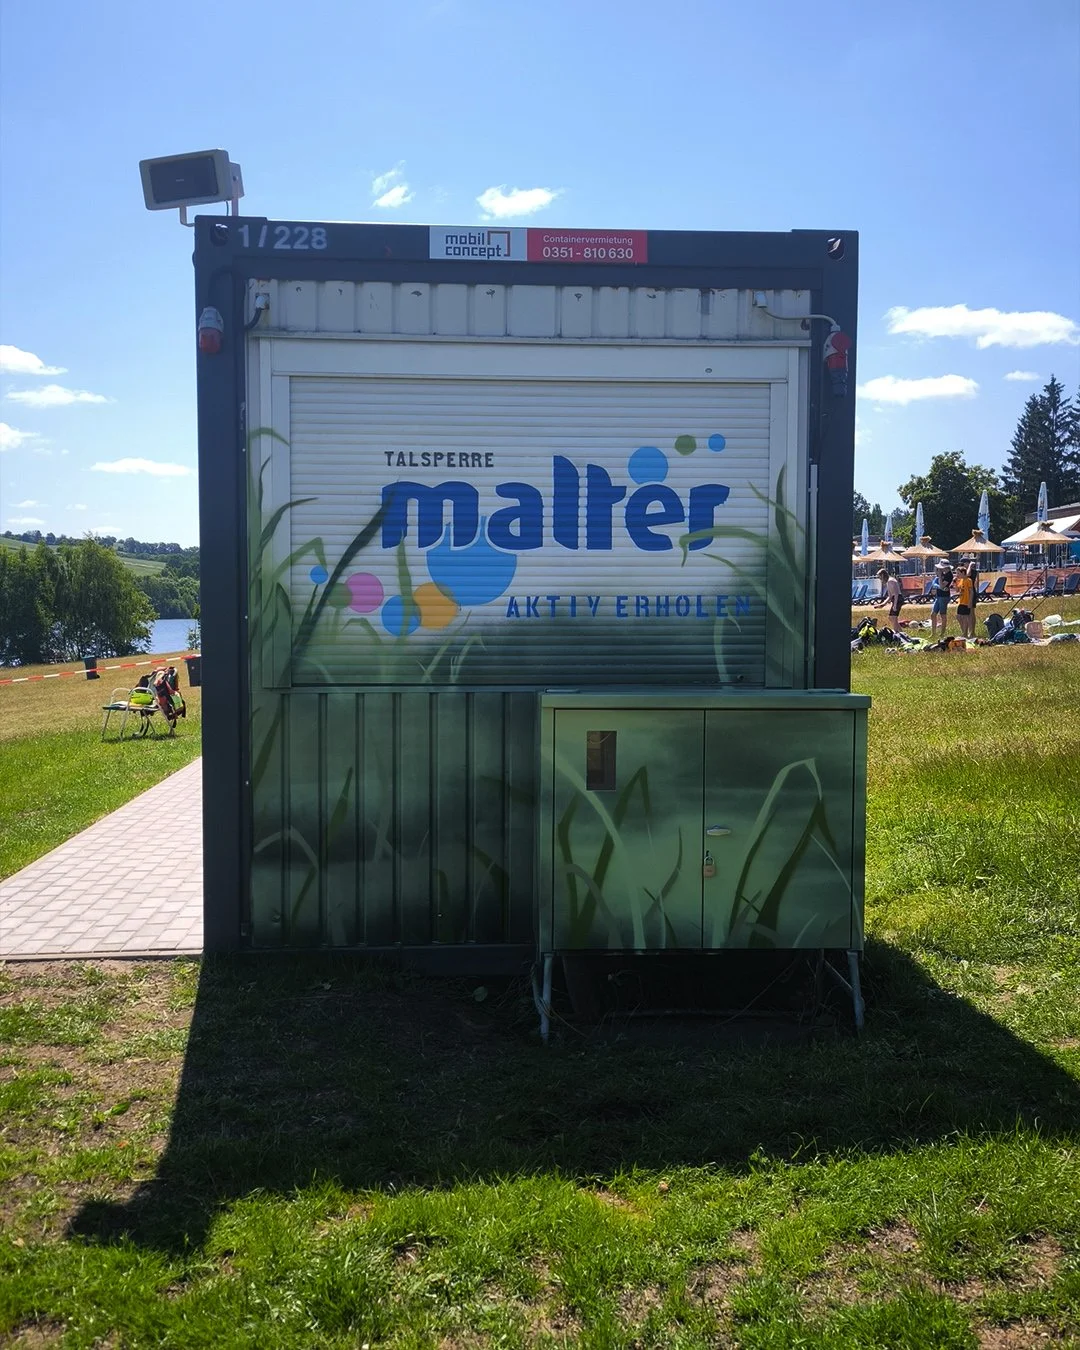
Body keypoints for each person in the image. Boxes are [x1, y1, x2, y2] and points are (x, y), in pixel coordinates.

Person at [929, 560, 953, 638]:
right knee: (933, 614)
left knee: (943, 615)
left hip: (944, 597)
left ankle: (942, 633)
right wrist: (939, 586)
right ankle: (933, 633)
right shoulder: (943, 574)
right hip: (939, 596)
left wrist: (939, 577)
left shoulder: (949, 575)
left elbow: (942, 586)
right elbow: (935, 584)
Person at [955, 562, 976, 638]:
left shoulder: (968, 580)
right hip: (961, 601)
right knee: (958, 616)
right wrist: (955, 582)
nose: (957, 575)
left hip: (967, 601)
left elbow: (971, 591)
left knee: (965, 617)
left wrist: (970, 601)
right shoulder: (960, 581)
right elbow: (957, 590)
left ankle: (965, 633)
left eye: (958, 573)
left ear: (963, 573)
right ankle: (964, 631)